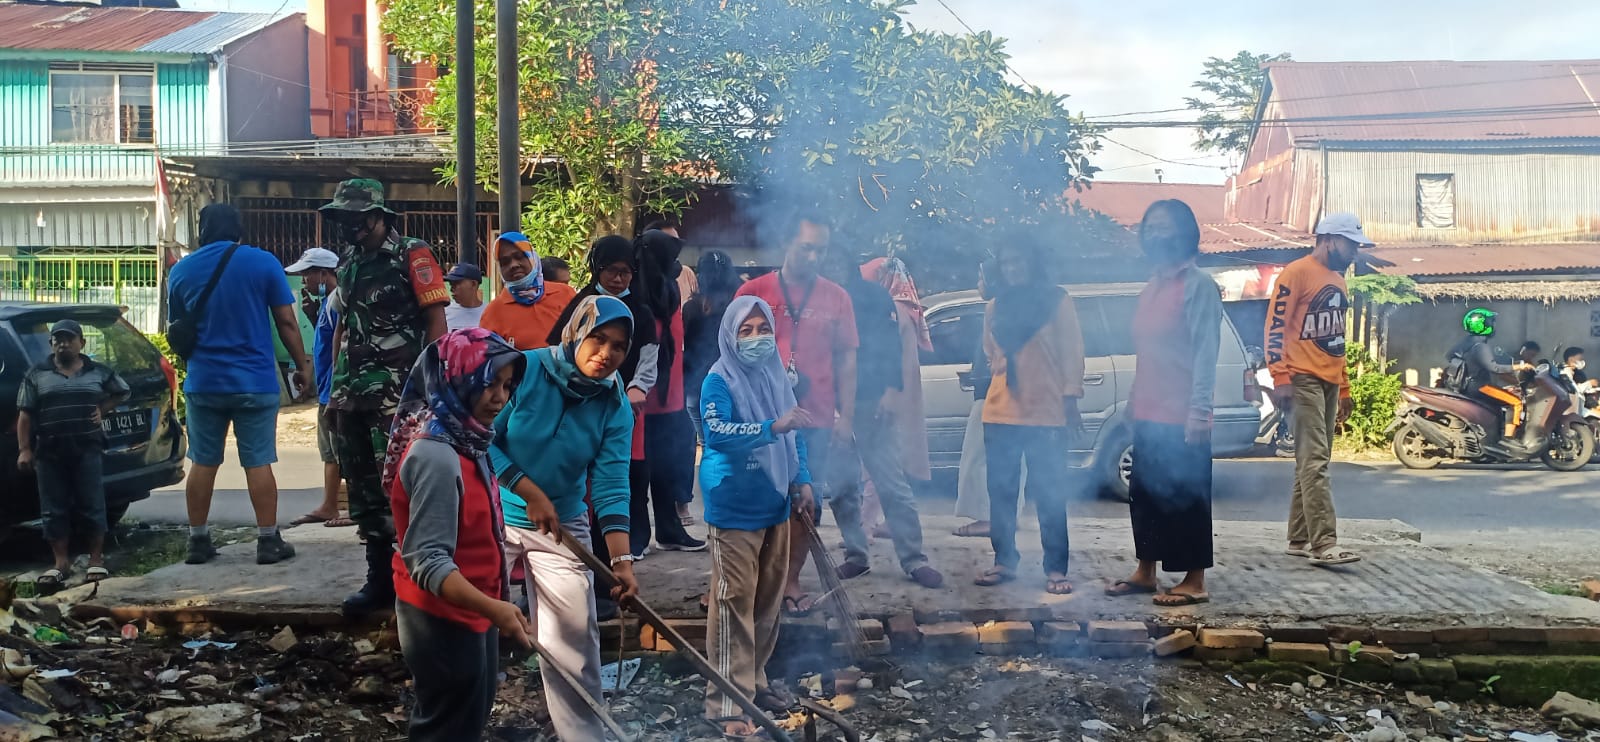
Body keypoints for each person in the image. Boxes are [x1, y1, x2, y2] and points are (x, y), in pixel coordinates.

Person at [490, 296, 642, 741]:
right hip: (495, 512)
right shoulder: (524, 370)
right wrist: (527, 489)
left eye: (618, 346)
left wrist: (622, 564)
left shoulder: (614, 405)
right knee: (467, 621)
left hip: (562, 523)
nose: (606, 354)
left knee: (574, 641)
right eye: (598, 338)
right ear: (575, 331)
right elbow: (483, 438)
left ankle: (582, 736)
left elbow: (612, 483)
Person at [387, 329, 533, 741]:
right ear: (457, 376)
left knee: (468, 715)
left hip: (474, 608)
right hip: (441, 617)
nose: (500, 397)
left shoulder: (467, 439)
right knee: (446, 726)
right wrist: (494, 608)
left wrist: (493, 607)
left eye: (507, 385)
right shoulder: (436, 455)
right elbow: (428, 560)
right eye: (489, 382)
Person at [321, 178, 450, 617]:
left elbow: (436, 317)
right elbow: (344, 323)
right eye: (342, 218)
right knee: (361, 486)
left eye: (357, 217)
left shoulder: (411, 253)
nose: (349, 226)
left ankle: (415, 577)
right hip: (352, 390)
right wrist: (330, 382)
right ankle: (378, 578)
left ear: (378, 216)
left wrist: (430, 383)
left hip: (398, 392)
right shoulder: (350, 261)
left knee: (400, 483)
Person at [168, 203, 308, 566]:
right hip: (254, 381)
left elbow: (178, 332)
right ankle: (267, 541)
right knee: (258, 461)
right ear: (239, 230)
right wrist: (302, 364)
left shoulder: (181, 271)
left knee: (202, 461)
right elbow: (287, 323)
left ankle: (197, 541)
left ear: (202, 232)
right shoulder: (263, 263)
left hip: (204, 382)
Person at [699, 296, 815, 736]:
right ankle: (726, 704)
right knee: (733, 606)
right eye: (744, 331)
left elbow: (795, 431)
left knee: (767, 604)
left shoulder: (777, 377)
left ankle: (754, 682)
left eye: (761, 329)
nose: (755, 339)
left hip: (775, 503)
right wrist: (771, 428)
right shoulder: (718, 380)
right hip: (733, 506)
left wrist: (801, 478)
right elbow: (717, 434)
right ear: (729, 336)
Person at [735, 210, 858, 616]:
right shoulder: (754, 290)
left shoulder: (837, 297)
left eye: (820, 250)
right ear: (786, 244)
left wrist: (848, 418)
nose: (813, 257)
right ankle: (750, 580)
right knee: (756, 499)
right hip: (761, 419)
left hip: (815, 418)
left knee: (806, 503)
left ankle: (790, 580)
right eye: (806, 247)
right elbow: (731, 353)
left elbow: (847, 362)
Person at [1108, 200, 1221, 607]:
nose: (1156, 234)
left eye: (1165, 226)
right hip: (1149, 411)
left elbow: (1206, 352)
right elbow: (1146, 353)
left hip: (1182, 413)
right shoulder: (1151, 286)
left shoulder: (1198, 285)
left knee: (1187, 496)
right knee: (1146, 494)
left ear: (1185, 232)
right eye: (1150, 227)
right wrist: (1133, 403)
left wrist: (1200, 411)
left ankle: (1194, 580)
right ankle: (1145, 572)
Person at [547, 236, 679, 560]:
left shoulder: (641, 311)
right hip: (579, 404)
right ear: (597, 269)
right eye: (611, 271)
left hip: (624, 407)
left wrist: (636, 391)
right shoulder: (582, 304)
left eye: (626, 272)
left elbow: (650, 359)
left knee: (622, 476)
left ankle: (619, 551)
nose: (618, 279)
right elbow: (557, 351)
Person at [818, 247, 942, 587]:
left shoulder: (873, 296)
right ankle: (856, 556)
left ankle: (914, 559)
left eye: (834, 259)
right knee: (842, 488)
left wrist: (890, 393)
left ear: (846, 262)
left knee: (892, 484)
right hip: (830, 404)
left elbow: (892, 349)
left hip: (872, 401)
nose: (830, 267)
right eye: (825, 261)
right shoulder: (818, 299)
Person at [975, 237, 1082, 595]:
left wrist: (1070, 399)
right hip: (1001, 410)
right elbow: (991, 353)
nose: (1012, 268)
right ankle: (1004, 560)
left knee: (1050, 494)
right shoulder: (995, 305)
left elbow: (1072, 352)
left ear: (1033, 262)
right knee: (1001, 493)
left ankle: (1055, 569)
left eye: (1018, 261)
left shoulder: (1057, 300)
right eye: (1006, 263)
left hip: (1047, 412)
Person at [1265, 212, 1369, 567]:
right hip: (1302, 378)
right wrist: (1280, 377)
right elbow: (1275, 328)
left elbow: (1336, 341)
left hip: (1328, 380)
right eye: (1350, 243)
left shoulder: (1338, 281)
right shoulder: (1295, 273)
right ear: (1327, 239)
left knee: (1308, 462)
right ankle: (1324, 543)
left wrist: (1344, 388)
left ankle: (1300, 538)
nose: (1354, 251)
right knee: (1316, 462)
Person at [16, 319, 130, 587]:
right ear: (51, 344)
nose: (63, 344)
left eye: (69, 339)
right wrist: (24, 449)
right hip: (49, 451)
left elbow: (123, 391)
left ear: (82, 343)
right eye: (58, 340)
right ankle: (60, 563)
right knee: (53, 509)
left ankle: (96, 560)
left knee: (92, 504)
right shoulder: (36, 374)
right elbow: (24, 415)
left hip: (87, 447)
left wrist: (102, 410)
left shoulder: (98, 371)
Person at [634, 229, 707, 550]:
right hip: (640, 401)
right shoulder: (634, 295)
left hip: (672, 397)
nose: (677, 264)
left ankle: (668, 530)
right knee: (636, 472)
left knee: (667, 468)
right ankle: (635, 539)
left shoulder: (670, 292)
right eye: (671, 256)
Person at [951, 259, 1022, 538]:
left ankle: (988, 519)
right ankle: (1007, 515)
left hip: (995, 395)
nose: (977, 285)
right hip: (1012, 395)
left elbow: (995, 358)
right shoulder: (1009, 306)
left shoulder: (997, 309)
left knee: (979, 458)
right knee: (1010, 461)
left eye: (980, 279)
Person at [284, 247, 351, 528]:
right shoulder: (326, 303)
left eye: (307, 275)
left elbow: (341, 346)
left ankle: (337, 505)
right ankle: (330, 503)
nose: (303, 281)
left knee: (337, 450)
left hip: (334, 389)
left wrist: (336, 388)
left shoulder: (338, 299)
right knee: (330, 451)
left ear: (324, 274)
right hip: (326, 387)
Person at [862, 256, 933, 484]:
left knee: (881, 462)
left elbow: (887, 357)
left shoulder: (892, 310)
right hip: (903, 392)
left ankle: (873, 519)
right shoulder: (906, 310)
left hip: (890, 393)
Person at [479, 233, 578, 351]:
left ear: (532, 257)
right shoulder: (493, 313)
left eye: (519, 256)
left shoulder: (565, 294)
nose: (513, 265)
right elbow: (491, 362)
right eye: (505, 262)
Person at [684, 250, 741, 448]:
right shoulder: (738, 306)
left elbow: (686, 346)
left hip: (697, 386)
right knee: (728, 442)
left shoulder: (692, 307)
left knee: (710, 443)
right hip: (730, 384)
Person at [443, 263, 487, 331]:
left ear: (473, 284)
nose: (451, 289)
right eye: (451, 284)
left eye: (456, 283)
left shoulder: (489, 312)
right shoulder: (444, 313)